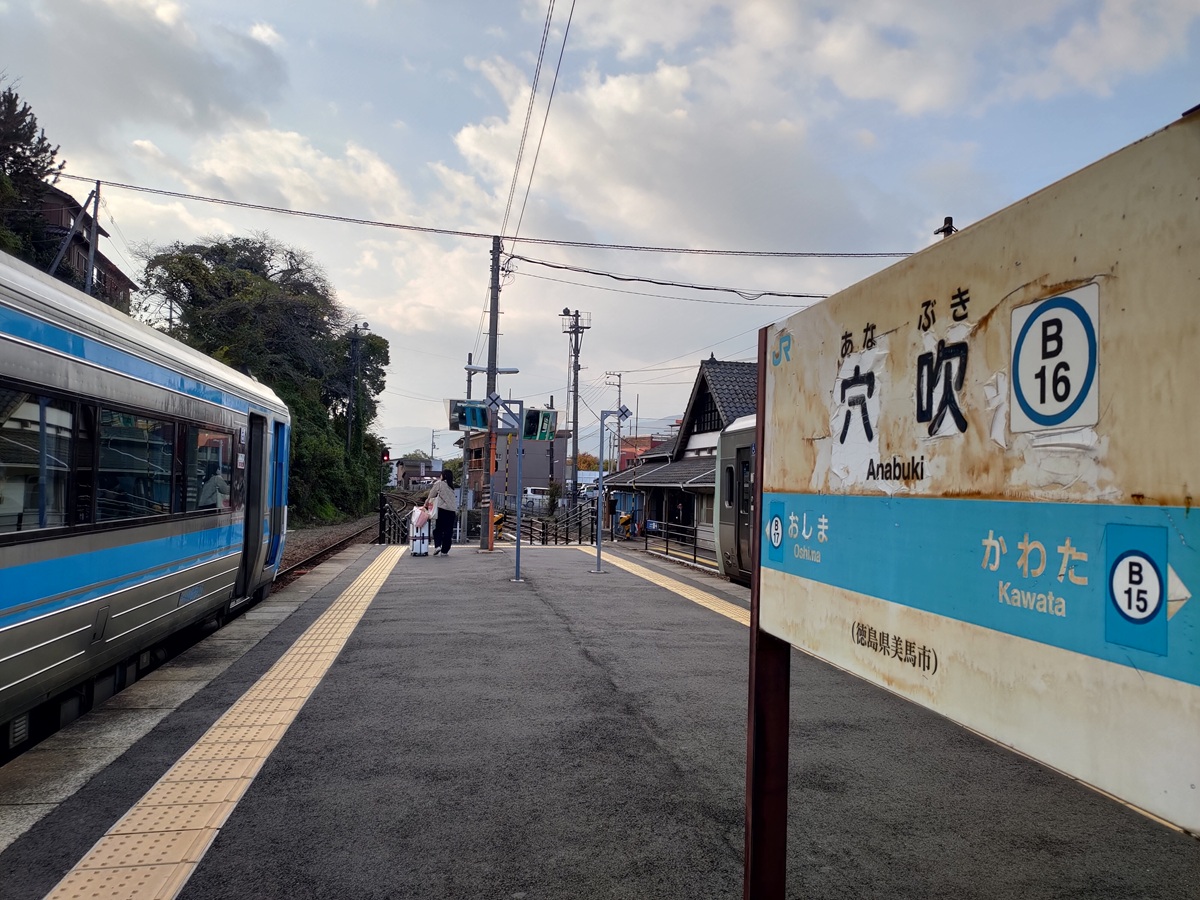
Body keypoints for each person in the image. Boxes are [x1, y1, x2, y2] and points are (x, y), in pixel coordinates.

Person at [427, 470, 458, 556]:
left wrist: (425, 504)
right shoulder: (451, 486)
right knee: (448, 531)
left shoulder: (439, 484)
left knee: (438, 530)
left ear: (443, 475)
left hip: (442, 510)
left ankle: (437, 546)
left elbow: (431, 495)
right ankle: (445, 550)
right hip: (452, 511)